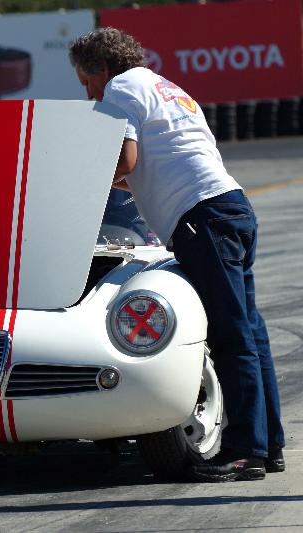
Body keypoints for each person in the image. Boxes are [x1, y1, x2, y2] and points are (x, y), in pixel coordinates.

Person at [69, 28, 284, 482]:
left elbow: (124, 164)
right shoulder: (164, 86)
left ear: (101, 69)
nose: (86, 91)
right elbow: (145, 171)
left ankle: (245, 449)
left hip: (201, 220)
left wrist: (78, 178)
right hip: (229, 206)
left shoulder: (119, 89)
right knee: (249, 331)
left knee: (230, 336)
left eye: (84, 80)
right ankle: (269, 445)